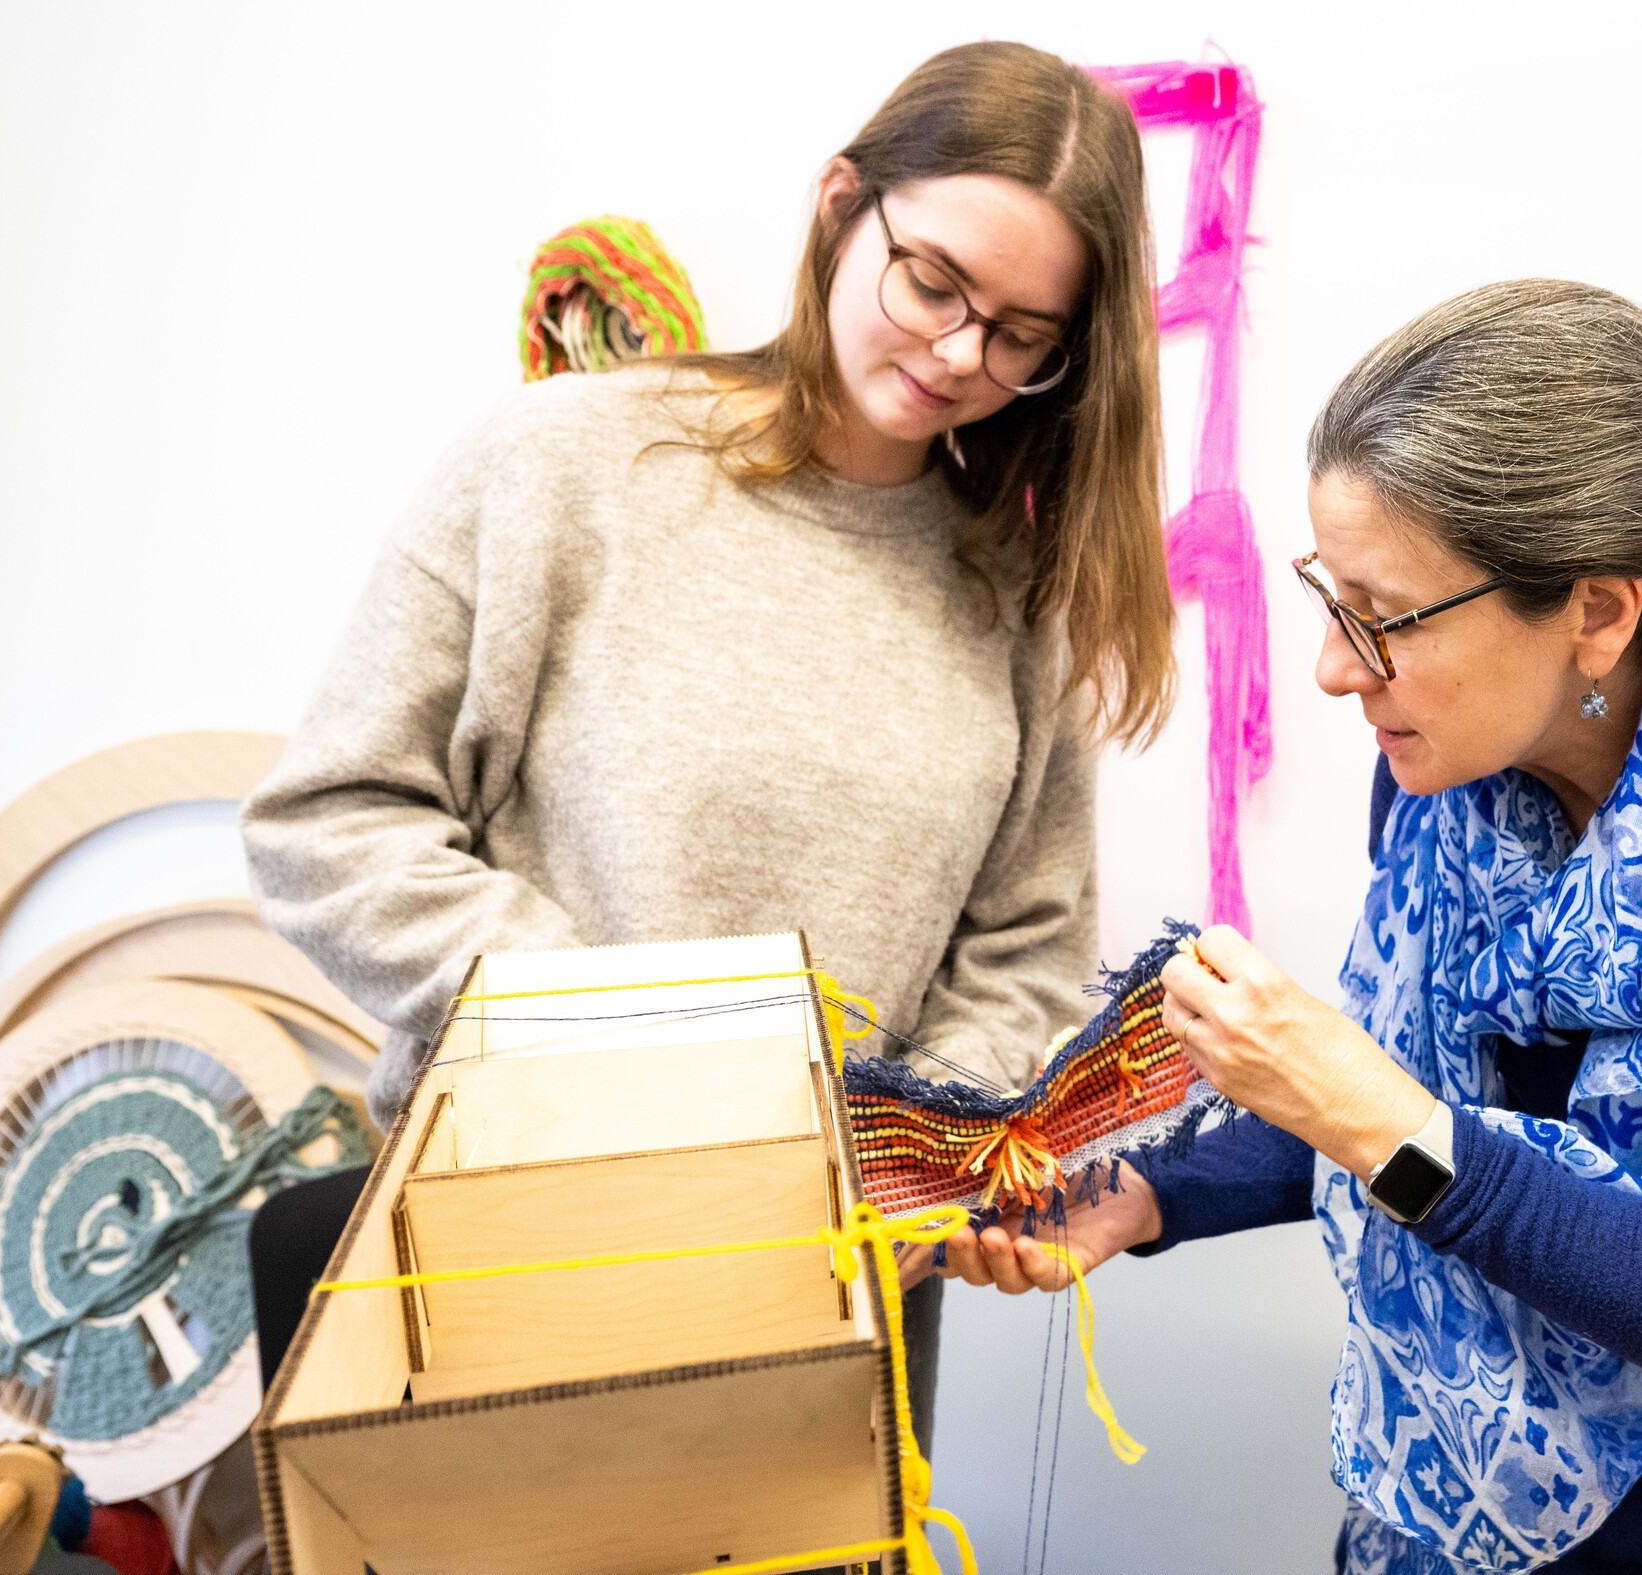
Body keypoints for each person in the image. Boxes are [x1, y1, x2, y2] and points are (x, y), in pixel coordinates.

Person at [939, 280, 1642, 1572]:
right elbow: (1410, 1104)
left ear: (1598, 612)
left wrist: (1365, 1107)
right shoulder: (1444, 777)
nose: (1332, 668)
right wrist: (1148, 1194)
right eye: (1331, 596)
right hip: (1434, 1531)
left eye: (1386, 618)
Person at [238, 40, 1171, 1451]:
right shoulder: (562, 465)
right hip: (511, 1258)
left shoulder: (1013, 595)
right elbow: (329, 821)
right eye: (934, 283)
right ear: (840, 202)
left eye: (1025, 334)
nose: (962, 355)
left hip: (828, 1306)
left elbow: (1025, 956)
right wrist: (639, 1048)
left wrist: (907, 1170)